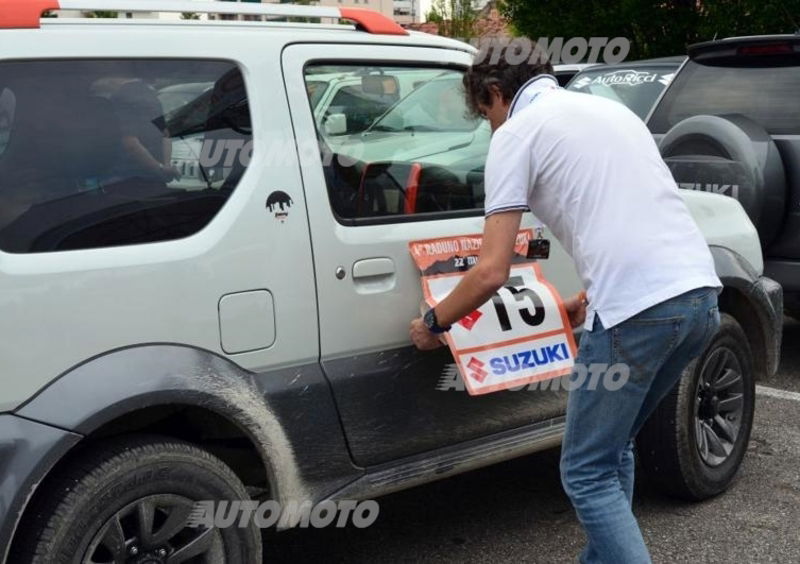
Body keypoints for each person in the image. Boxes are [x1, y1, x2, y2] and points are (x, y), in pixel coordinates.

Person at [409, 46, 722, 563]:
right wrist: (595, 295)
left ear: (493, 94)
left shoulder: (517, 132)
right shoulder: (609, 110)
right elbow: (635, 215)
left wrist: (434, 322)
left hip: (635, 314)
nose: (489, 127)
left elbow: (490, 270)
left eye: (485, 115)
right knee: (613, 447)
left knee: (584, 471)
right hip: (697, 298)